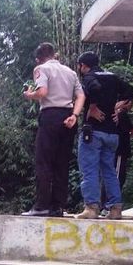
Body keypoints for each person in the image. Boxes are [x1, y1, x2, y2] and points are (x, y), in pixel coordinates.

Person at [22, 42, 85, 217]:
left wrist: (29, 95)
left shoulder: (41, 69)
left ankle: (42, 206)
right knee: (61, 163)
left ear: (38, 58)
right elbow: (81, 95)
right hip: (69, 117)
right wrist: (75, 115)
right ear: (54, 55)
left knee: (44, 162)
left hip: (50, 116)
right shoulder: (71, 72)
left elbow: (42, 92)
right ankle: (58, 207)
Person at [75, 51, 133, 220]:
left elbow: (94, 88)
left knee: (89, 170)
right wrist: (120, 108)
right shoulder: (112, 76)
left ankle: (92, 208)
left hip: (94, 132)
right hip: (112, 133)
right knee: (109, 171)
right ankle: (115, 209)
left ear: (83, 65)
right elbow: (130, 90)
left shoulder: (89, 77)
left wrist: (92, 106)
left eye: (80, 66)